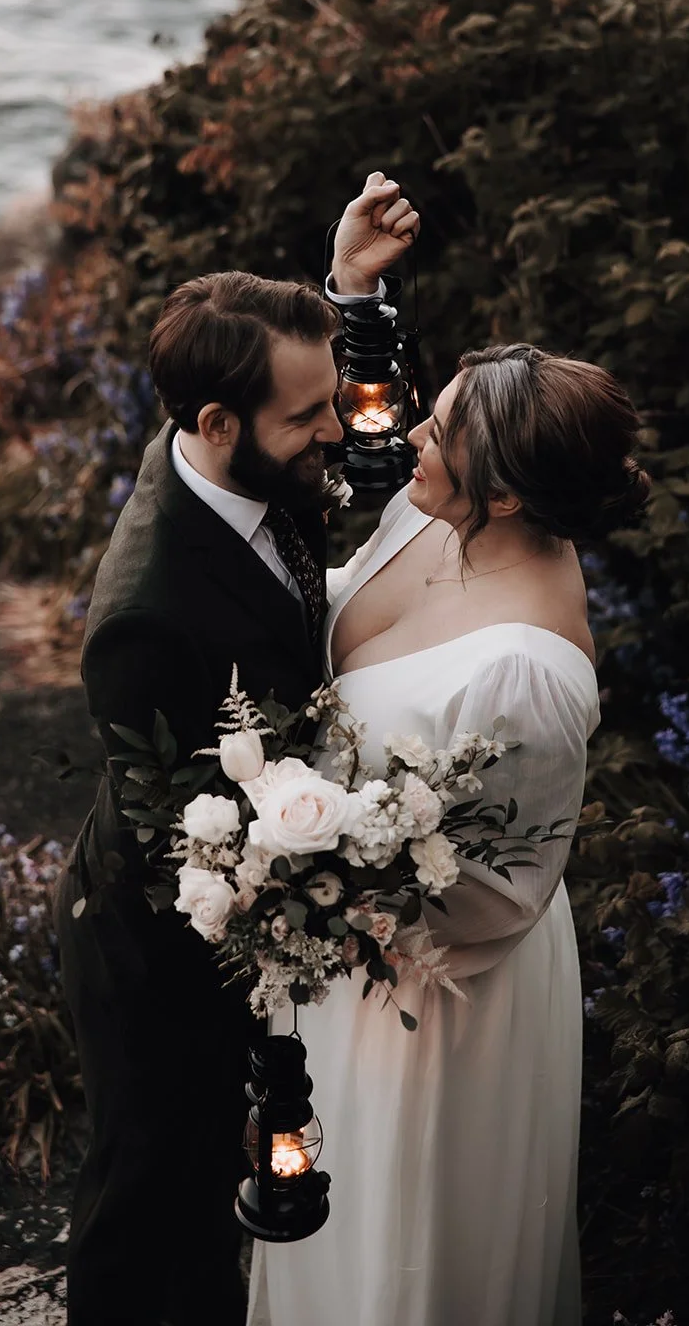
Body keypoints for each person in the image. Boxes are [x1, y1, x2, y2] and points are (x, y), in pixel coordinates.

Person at [52, 173, 420, 1326]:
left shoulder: (249, 457)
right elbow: (180, 840)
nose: (338, 430)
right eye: (307, 416)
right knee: (149, 1198)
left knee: (233, 1196)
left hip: (234, 912)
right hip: (159, 955)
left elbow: (351, 433)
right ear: (217, 425)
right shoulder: (145, 618)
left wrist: (349, 290)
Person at [249, 316, 650, 1325]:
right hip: (342, 949)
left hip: (433, 998)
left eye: (434, 433)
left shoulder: (525, 674)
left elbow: (496, 892)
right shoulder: (437, 517)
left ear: (508, 491)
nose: (401, 440)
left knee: (405, 1247)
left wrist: (304, 871)